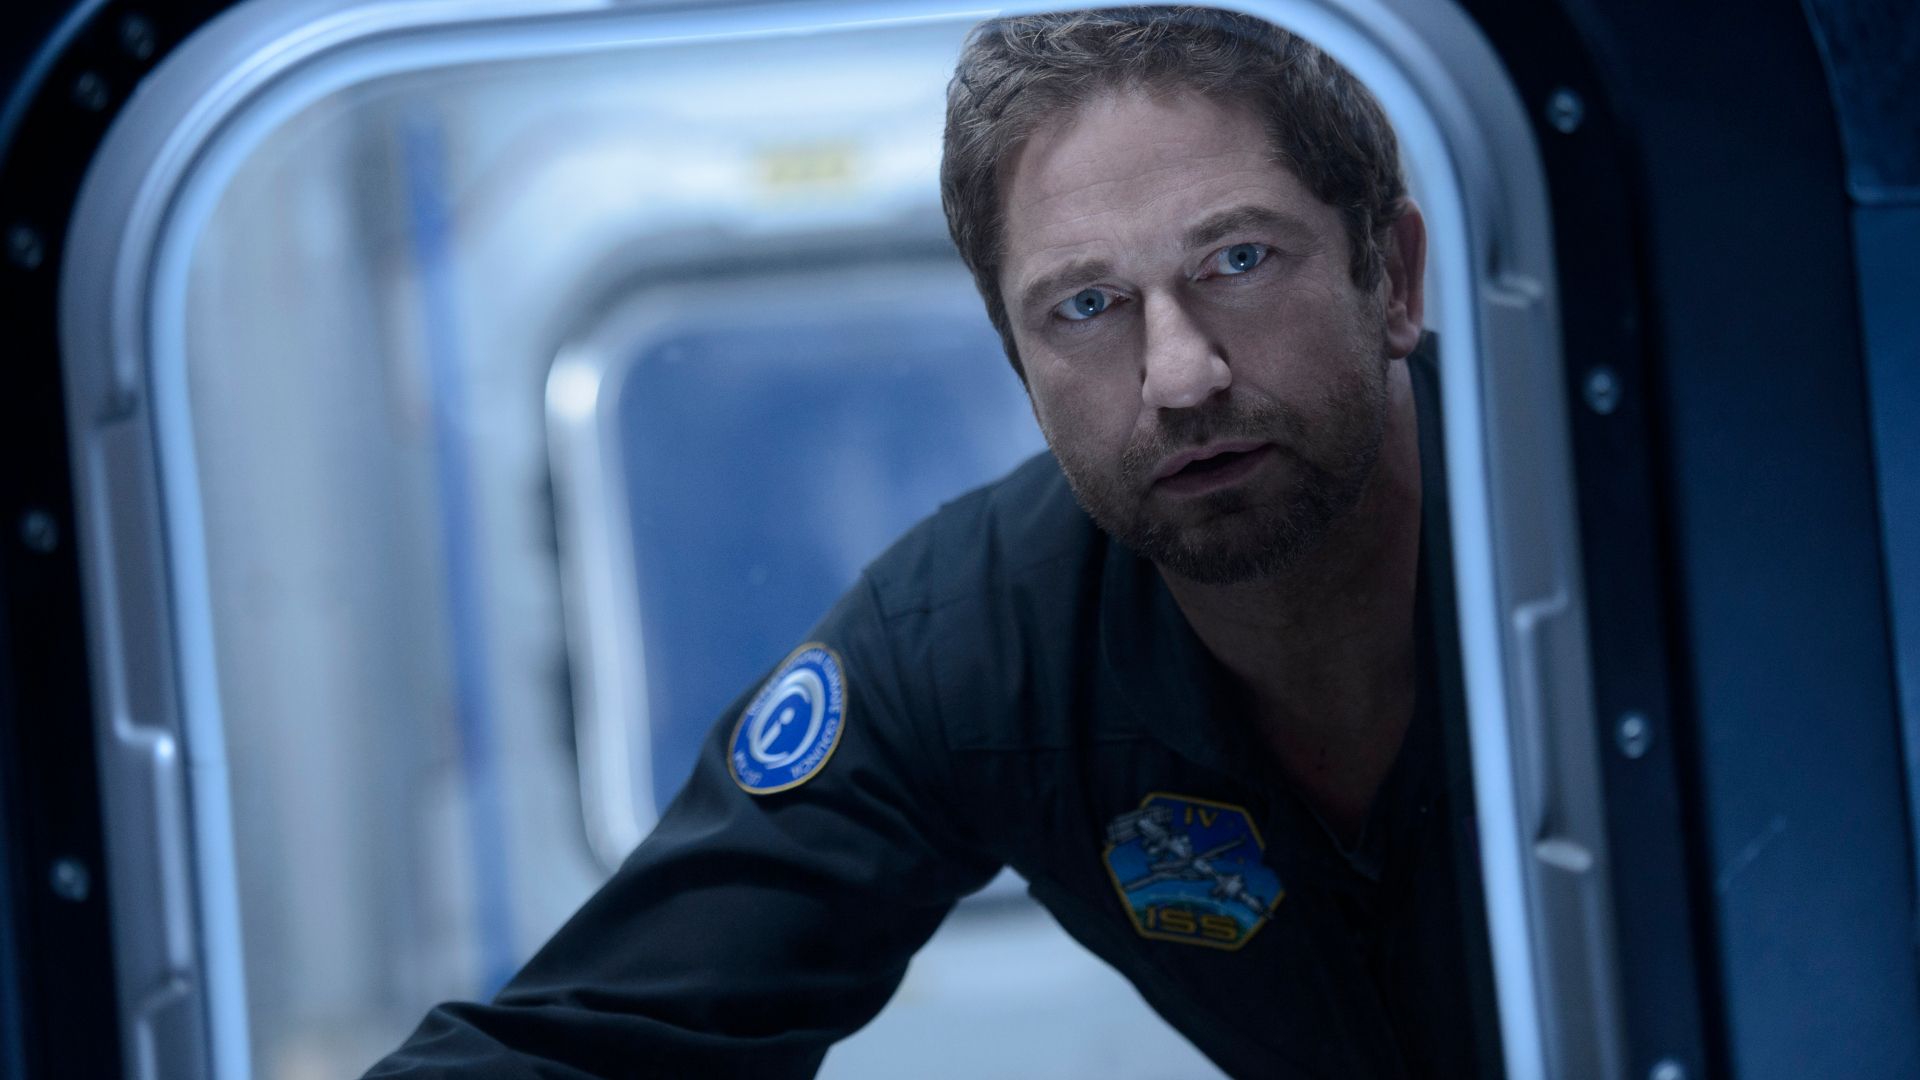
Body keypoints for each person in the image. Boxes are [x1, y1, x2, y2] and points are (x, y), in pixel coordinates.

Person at [367, 7, 1501, 1078]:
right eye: (1087, 306)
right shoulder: (978, 644)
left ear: (1392, 278)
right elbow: (609, 1036)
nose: (1179, 375)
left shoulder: (1577, 528)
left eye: (1239, 260)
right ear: (1020, 366)